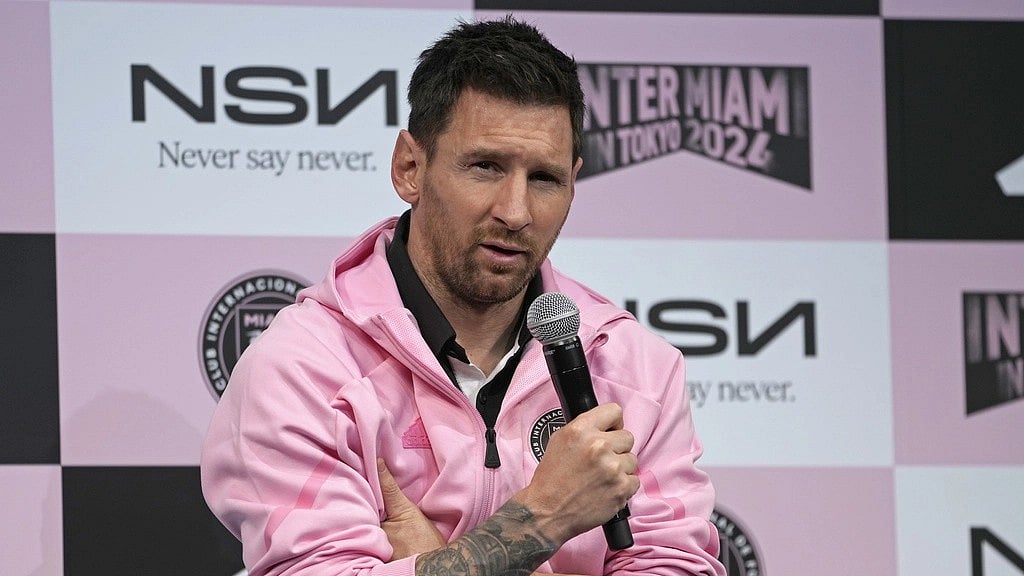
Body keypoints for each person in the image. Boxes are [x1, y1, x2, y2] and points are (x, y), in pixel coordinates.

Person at [201, 16, 725, 576]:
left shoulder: (635, 368)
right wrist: (544, 518)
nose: (515, 212)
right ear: (409, 167)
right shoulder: (304, 369)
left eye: (544, 179)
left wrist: (440, 561)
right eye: (485, 167)